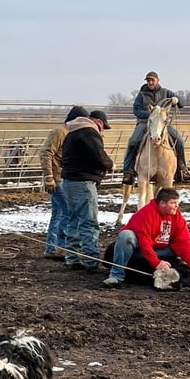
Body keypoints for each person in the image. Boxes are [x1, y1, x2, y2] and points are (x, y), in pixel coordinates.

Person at [103, 187, 190, 289]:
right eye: (173, 203)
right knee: (126, 235)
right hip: (139, 251)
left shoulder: (176, 216)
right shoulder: (146, 214)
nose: (176, 206)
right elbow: (144, 241)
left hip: (160, 248)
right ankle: (116, 276)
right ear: (162, 203)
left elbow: (183, 240)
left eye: (176, 202)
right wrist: (156, 263)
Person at [60, 109, 114, 271]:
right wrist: (110, 164)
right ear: (98, 122)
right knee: (89, 222)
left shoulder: (71, 133)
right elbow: (98, 155)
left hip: (69, 181)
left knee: (73, 219)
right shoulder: (88, 132)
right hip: (84, 182)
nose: (102, 130)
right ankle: (91, 260)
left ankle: (72, 257)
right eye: (103, 126)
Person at [122, 71, 190, 185]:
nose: (150, 82)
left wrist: (176, 100)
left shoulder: (166, 92)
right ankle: (128, 171)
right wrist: (150, 115)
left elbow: (181, 103)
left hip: (162, 124)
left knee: (179, 140)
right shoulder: (142, 95)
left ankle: (182, 168)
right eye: (148, 80)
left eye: (152, 80)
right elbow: (136, 110)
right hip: (145, 123)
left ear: (157, 80)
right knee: (133, 141)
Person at [39, 105, 89, 259]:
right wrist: (49, 177)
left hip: (62, 178)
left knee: (59, 212)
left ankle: (52, 248)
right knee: (67, 212)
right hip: (58, 178)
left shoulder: (69, 133)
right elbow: (46, 153)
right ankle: (59, 247)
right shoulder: (60, 132)